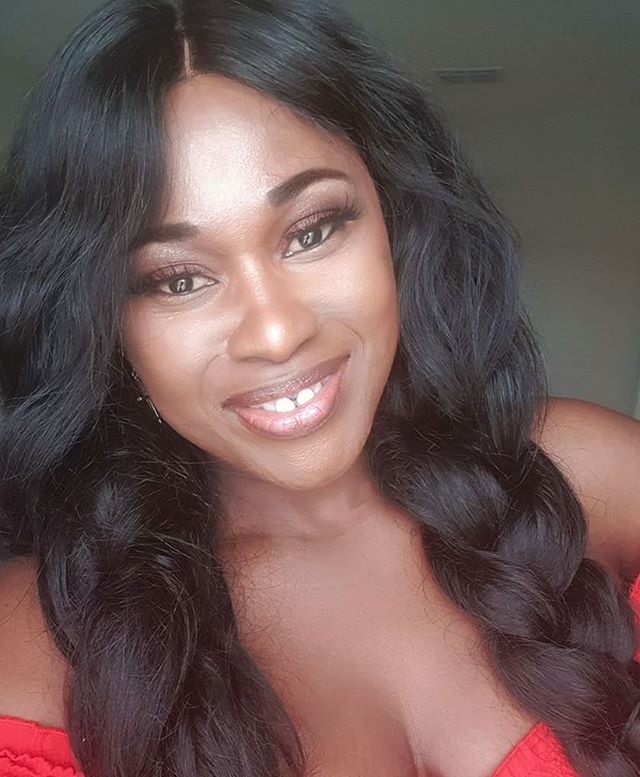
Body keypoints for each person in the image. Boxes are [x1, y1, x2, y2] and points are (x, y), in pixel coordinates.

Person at [0, 1, 638, 775]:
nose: (275, 332)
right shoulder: (33, 647)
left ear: (394, 220)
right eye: (178, 279)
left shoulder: (586, 473)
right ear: (105, 319)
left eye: (311, 231)